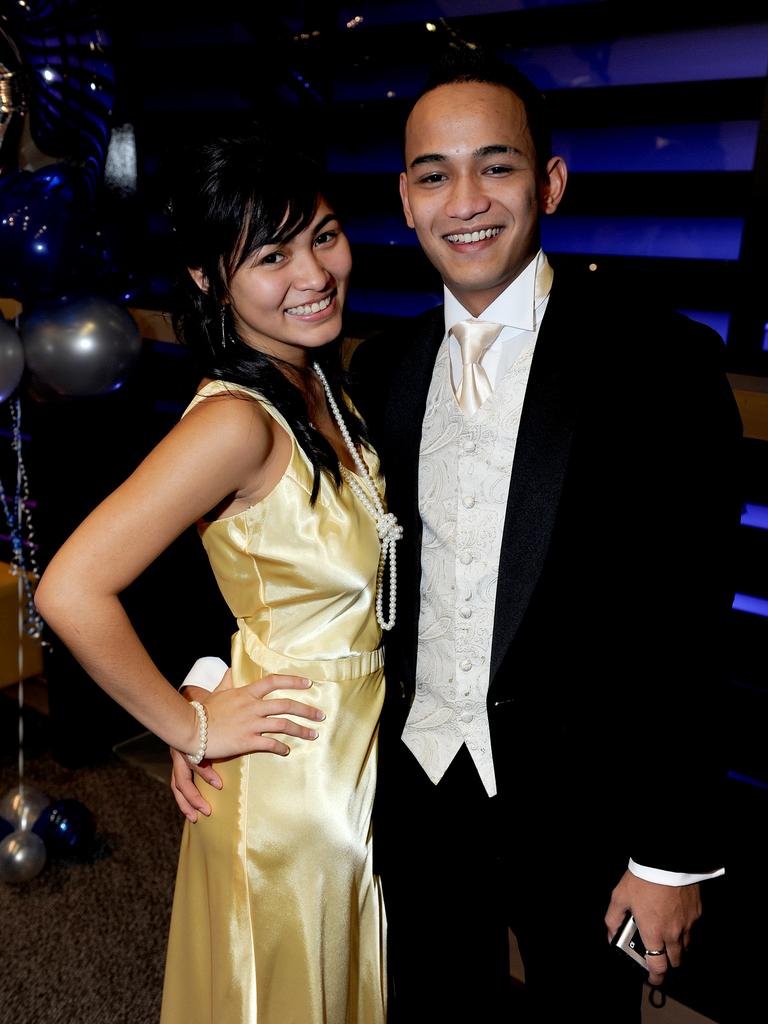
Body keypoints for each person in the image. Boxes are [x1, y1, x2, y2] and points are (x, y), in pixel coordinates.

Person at [173, 51, 742, 1023]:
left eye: (498, 165)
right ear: (404, 196)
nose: (464, 199)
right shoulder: (375, 367)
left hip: (585, 813)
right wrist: (206, 682)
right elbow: (272, 535)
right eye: (434, 173)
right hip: (404, 790)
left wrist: (670, 854)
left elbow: (692, 626)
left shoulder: (663, 362)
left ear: (550, 181)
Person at [35, 133, 394, 1024]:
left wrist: (206, 673)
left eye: (324, 235)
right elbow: (69, 588)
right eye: (271, 255)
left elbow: (261, 572)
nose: (314, 271)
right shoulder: (233, 421)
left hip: (352, 763)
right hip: (294, 786)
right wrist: (187, 724)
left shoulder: (316, 379)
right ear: (206, 278)